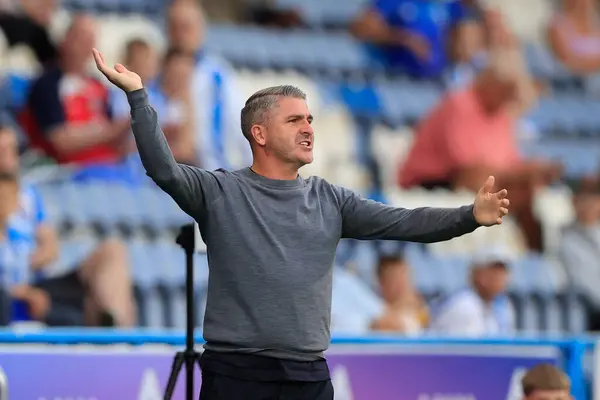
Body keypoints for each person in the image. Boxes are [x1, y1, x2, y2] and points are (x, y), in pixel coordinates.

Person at [93, 47, 511, 400]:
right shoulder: (220, 191)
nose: (308, 128)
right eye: (294, 121)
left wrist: (469, 216)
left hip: (309, 376)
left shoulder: (331, 198)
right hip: (236, 375)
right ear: (259, 133)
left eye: (310, 119)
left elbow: (405, 222)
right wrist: (139, 97)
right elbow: (164, 169)